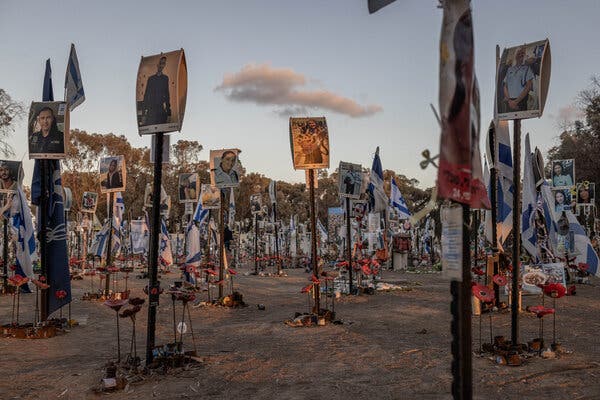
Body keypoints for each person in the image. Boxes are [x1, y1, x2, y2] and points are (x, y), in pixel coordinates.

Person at [501, 46, 534, 113]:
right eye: (519, 53)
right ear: (515, 56)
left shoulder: (527, 68)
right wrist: (510, 101)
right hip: (509, 102)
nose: (521, 55)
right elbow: (505, 86)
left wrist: (516, 102)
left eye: (522, 53)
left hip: (521, 101)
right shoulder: (510, 69)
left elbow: (528, 86)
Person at [141, 56, 171, 126]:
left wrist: (169, 113)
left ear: (164, 65)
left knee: (160, 132)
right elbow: (146, 95)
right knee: (151, 129)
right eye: (160, 63)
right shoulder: (151, 79)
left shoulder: (165, 78)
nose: (161, 65)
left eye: (163, 63)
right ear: (157, 64)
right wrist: (143, 114)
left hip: (160, 110)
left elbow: (167, 95)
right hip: (151, 111)